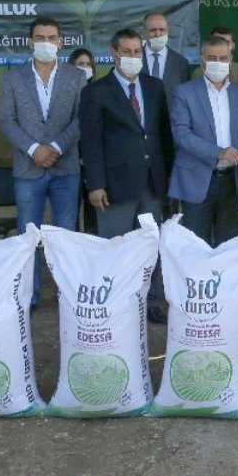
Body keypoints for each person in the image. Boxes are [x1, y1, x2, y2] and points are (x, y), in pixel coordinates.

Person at [80, 29, 173, 322]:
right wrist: (95, 184)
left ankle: (151, 303)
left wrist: (168, 178)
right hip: (115, 186)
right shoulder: (96, 91)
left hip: (152, 183)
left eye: (137, 51)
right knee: (116, 249)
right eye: (127, 51)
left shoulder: (154, 86)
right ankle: (116, 304)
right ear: (114, 52)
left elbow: (163, 135)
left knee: (150, 248)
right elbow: (91, 141)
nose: (133, 56)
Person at [0, 16, 85, 307]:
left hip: (66, 167)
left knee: (65, 236)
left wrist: (57, 146)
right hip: (27, 167)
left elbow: (81, 118)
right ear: (30, 42)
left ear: (61, 42)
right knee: (28, 236)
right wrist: (34, 148)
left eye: (51, 38)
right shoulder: (12, 77)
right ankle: (29, 294)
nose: (46, 43)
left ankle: (66, 294)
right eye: (40, 38)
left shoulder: (75, 77)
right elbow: (6, 121)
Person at [171, 35, 238, 247]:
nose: (218, 63)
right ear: (202, 61)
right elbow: (182, 134)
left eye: (223, 58)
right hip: (198, 179)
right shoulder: (184, 92)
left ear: (230, 60)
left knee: (228, 245)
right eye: (212, 58)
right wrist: (218, 152)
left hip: (232, 180)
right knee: (196, 245)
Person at [68, 48, 99, 236]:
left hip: (92, 162)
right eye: (80, 64)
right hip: (70, 160)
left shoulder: (98, 92)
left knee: (93, 210)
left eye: (88, 65)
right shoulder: (63, 92)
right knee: (71, 210)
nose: (85, 68)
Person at [192, 26, 238, 114]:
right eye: (217, 41)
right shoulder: (198, 73)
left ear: (233, 46)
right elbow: (193, 107)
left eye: (226, 42)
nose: (221, 45)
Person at [140, 12, 190, 98]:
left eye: (162, 29)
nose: (158, 34)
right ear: (145, 31)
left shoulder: (181, 62)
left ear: (168, 30)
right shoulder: (134, 59)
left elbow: (185, 96)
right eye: (153, 30)